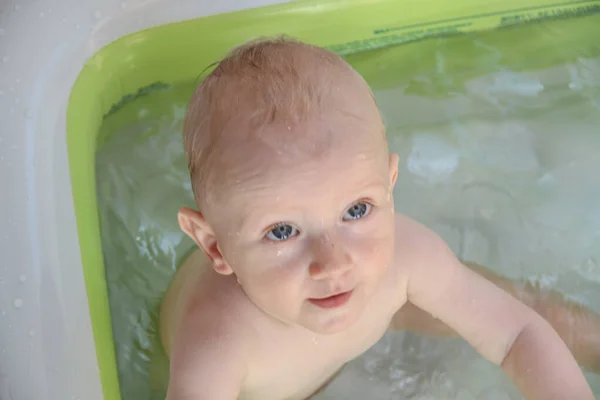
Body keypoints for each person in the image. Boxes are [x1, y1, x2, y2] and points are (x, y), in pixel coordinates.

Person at [160, 36, 598, 399]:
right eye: (282, 231)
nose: (333, 264)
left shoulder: (402, 257)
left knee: (515, 305)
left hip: (385, 305)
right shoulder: (216, 344)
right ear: (215, 246)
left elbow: (517, 335)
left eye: (356, 210)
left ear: (389, 187)